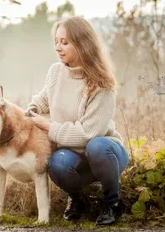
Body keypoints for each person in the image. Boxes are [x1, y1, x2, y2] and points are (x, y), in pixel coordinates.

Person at [25, 16, 129, 226]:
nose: (58, 47)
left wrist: (49, 126)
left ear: (82, 44)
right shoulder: (56, 72)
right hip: (74, 156)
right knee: (57, 163)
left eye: (64, 42)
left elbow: (88, 134)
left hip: (107, 153)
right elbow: (46, 97)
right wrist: (34, 108)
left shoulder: (102, 85)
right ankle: (78, 199)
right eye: (56, 41)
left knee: (96, 145)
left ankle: (112, 203)